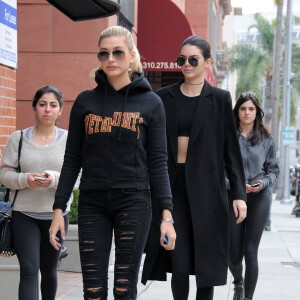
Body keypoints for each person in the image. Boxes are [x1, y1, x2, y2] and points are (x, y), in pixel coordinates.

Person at [49, 25, 176, 300]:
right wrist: (59, 208)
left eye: (118, 52)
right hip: (93, 202)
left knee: (123, 288)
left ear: (131, 55)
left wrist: (167, 215)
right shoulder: (85, 102)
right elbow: (72, 159)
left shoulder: (152, 103)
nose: (111, 59)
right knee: (93, 290)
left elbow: (158, 163)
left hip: (134, 200)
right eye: (104, 53)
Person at [141, 35, 247, 300]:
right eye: (181, 59)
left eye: (192, 60)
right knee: (179, 262)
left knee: (206, 265)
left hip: (208, 191)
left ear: (207, 62)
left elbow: (231, 151)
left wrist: (239, 195)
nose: (185, 64)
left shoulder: (220, 99)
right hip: (173, 189)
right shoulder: (163, 97)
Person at [0, 85, 71, 300]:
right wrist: (25, 179)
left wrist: (53, 179)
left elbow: (78, 178)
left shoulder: (69, 140)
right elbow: (4, 174)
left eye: (53, 105)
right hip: (24, 215)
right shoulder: (18, 138)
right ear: (34, 107)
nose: (47, 109)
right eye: (42, 104)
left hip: (56, 216)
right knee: (29, 271)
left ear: (60, 110)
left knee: (49, 271)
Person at [228, 92, 279, 300]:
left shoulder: (266, 139)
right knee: (233, 254)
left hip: (259, 197)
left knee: (250, 251)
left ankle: (247, 297)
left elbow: (273, 170)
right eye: (243, 108)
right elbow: (219, 169)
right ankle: (238, 282)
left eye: (251, 109)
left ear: (257, 112)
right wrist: (235, 185)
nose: (247, 113)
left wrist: (263, 183)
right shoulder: (227, 137)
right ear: (237, 111)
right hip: (234, 196)